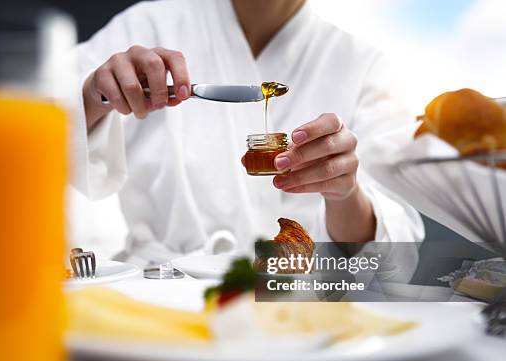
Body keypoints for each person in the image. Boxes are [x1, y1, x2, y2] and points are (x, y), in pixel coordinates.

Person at [70, 0, 424, 276]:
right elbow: (36, 115)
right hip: (156, 288)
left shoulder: (363, 67)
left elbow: (393, 259)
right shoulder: (147, 25)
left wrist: (346, 193)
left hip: (296, 304)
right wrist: (93, 96)